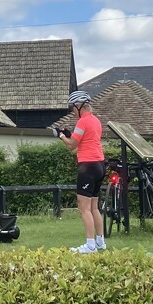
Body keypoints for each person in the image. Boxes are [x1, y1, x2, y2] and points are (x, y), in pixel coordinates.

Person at [50, 89, 106, 253]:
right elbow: (80, 139)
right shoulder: (95, 121)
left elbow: (71, 145)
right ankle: (100, 242)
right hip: (99, 164)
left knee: (83, 208)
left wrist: (60, 135)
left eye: (72, 108)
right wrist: (68, 134)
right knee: (94, 207)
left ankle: (89, 245)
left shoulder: (82, 122)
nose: (72, 111)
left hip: (87, 166)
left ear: (79, 105)